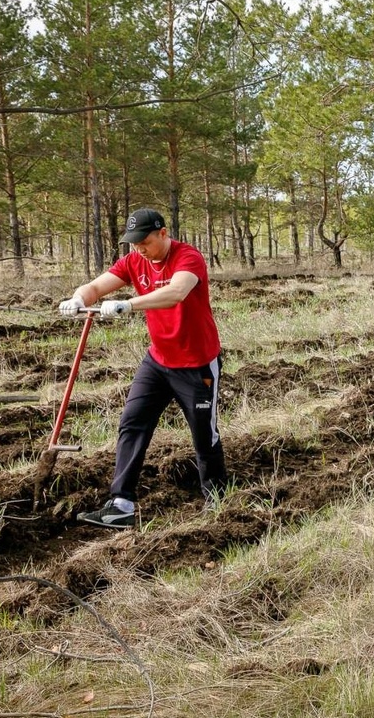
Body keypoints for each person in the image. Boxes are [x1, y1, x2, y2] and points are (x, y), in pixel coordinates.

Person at [59, 208, 227, 529]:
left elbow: (176, 293)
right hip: (158, 361)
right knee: (132, 423)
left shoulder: (187, 257)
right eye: (134, 243)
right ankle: (121, 503)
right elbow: (95, 287)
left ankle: (217, 502)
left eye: (145, 242)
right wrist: (78, 298)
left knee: (204, 434)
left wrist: (128, 304)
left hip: (196, 365)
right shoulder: (134, 260)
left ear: (163, 233)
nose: (139, 249)